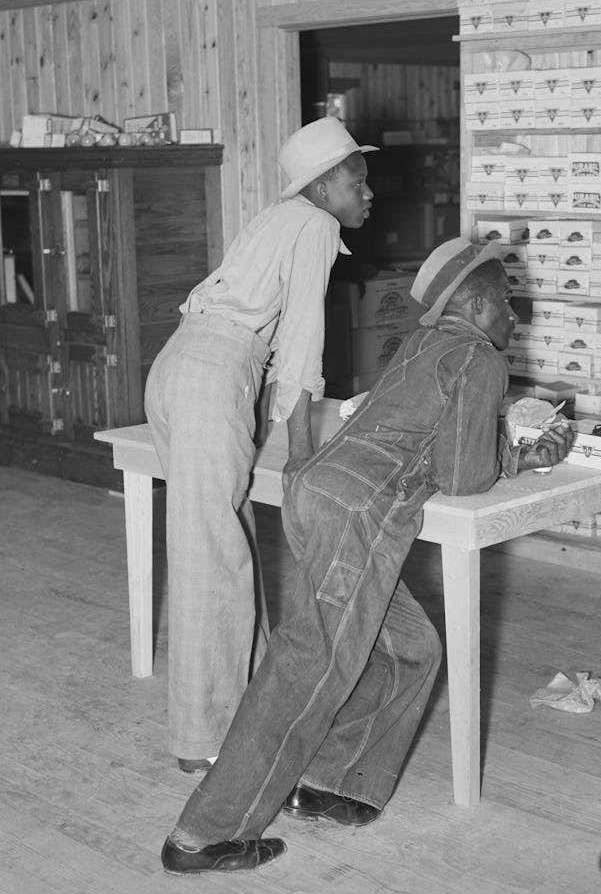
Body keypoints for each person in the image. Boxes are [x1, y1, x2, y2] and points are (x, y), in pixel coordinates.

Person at [159, 237, 575, 874]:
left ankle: (333, 782)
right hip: (358, 514)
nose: (516, 315)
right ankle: (204, 834)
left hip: (319, 495)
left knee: (412, 649)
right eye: (508, 301)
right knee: (308, 665)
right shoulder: (477, 356)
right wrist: (518, 459)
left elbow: (435, 448)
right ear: (475, 302)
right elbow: (461, 475)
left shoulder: (426, 343)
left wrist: (511, 455)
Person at [144, 117, 377, 773]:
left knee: (222, 541)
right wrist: (302, 459)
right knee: (215, 558)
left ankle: (240, 709)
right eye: (358, 181)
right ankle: (207, 743)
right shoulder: (315, 226)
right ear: (327, 183)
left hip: (179, 369)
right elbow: (301, 349)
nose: (367, 195)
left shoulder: (279, 218)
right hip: (212, 379)